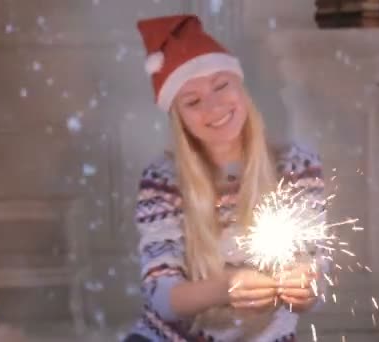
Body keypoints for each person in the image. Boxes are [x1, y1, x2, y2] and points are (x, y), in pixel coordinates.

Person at [126, 14, 328, 342]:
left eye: (222, 85)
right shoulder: (162, 180)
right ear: (179, 118)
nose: (215, 106)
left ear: (240, 87)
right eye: (193, 101)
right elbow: (162, 297)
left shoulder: (296, 166)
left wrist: (305, 287)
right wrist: (226, 288)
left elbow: (317, 274)